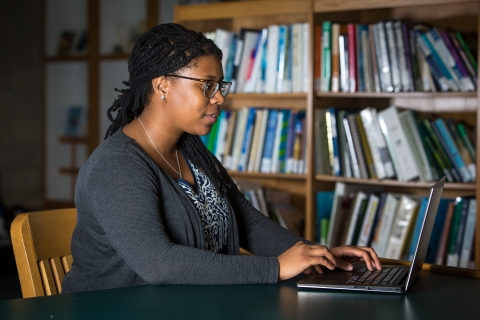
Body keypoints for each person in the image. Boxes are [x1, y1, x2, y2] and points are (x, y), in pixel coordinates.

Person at [62, 23, 381, 293]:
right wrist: (275, 268)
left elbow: (246, 223)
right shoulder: (116, 166)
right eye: (207, 86)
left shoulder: (191, 150)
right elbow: (158, 263)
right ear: (162, 86)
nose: (219, 98)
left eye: (221, 85)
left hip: (191, 307)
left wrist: (313, 255)